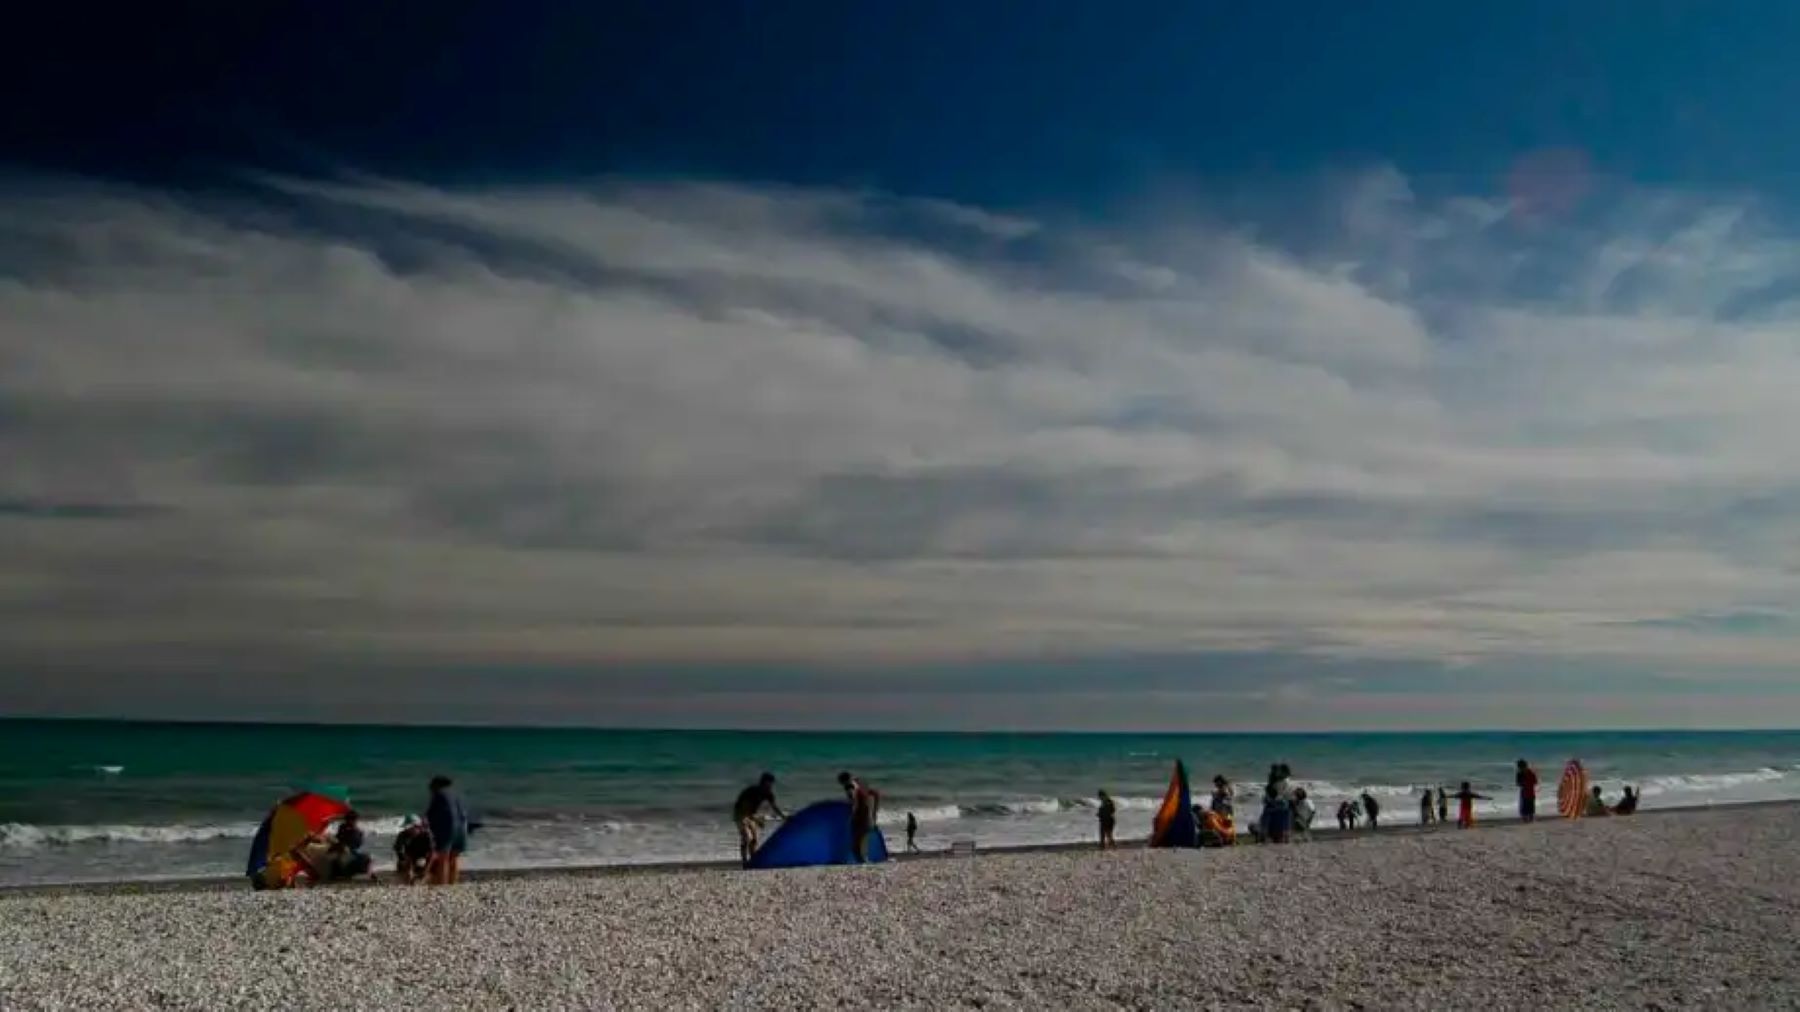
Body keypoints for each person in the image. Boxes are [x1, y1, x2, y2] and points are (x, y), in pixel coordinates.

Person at [732, 772, 786, 867]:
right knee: (747, 838)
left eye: (772, 783)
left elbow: (774, 807)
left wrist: (783, 817)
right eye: (770, 783)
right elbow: (743, 806)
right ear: (764, 782)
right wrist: (755, 819)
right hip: (740, 813)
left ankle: (753, 860)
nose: (771, 785)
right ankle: (744, 862)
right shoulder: (752, 791)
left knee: (755, 840)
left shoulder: (769, 794)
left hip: (751, 815)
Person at [425, 774, 469, 886]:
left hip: (448, 827)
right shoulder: (456, 795)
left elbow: (431, 814)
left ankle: (442, 885)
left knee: (443, 857)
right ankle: (452, 883)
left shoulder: (438, 795)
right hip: (461, 827)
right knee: (454, 857)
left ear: (436, 786)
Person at [838, 771, 881, 863]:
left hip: (860, 818)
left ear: (843, 782)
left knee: (856, 846)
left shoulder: (850, 787)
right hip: (867, 816)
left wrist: (851, 817)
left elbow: (855, 803)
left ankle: (863, 864)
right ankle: (865, 861)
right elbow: (876, 794)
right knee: (862, 843)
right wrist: (874, 813)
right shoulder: (860, 784)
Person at [327, 810, 374, 881]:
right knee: (367, 858)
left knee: (367, 858)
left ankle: (369, 874)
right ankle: (369, 874)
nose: (355, 822)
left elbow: (339, 841)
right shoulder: (352, 830)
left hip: (348, 854)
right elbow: (341, 842)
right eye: (354, 820)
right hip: (346, 854)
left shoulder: (353, 830)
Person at [392, 814, 433, 884]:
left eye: (412, 827)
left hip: (424, 857)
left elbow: (432, 854)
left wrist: (426, 870)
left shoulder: (427, 836)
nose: (409, 829)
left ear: (419, 827)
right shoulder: (402, 835)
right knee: (402, 869)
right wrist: (405, 862)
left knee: (423, 867)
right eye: (407, 827)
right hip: (410, 856)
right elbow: (398, 850)